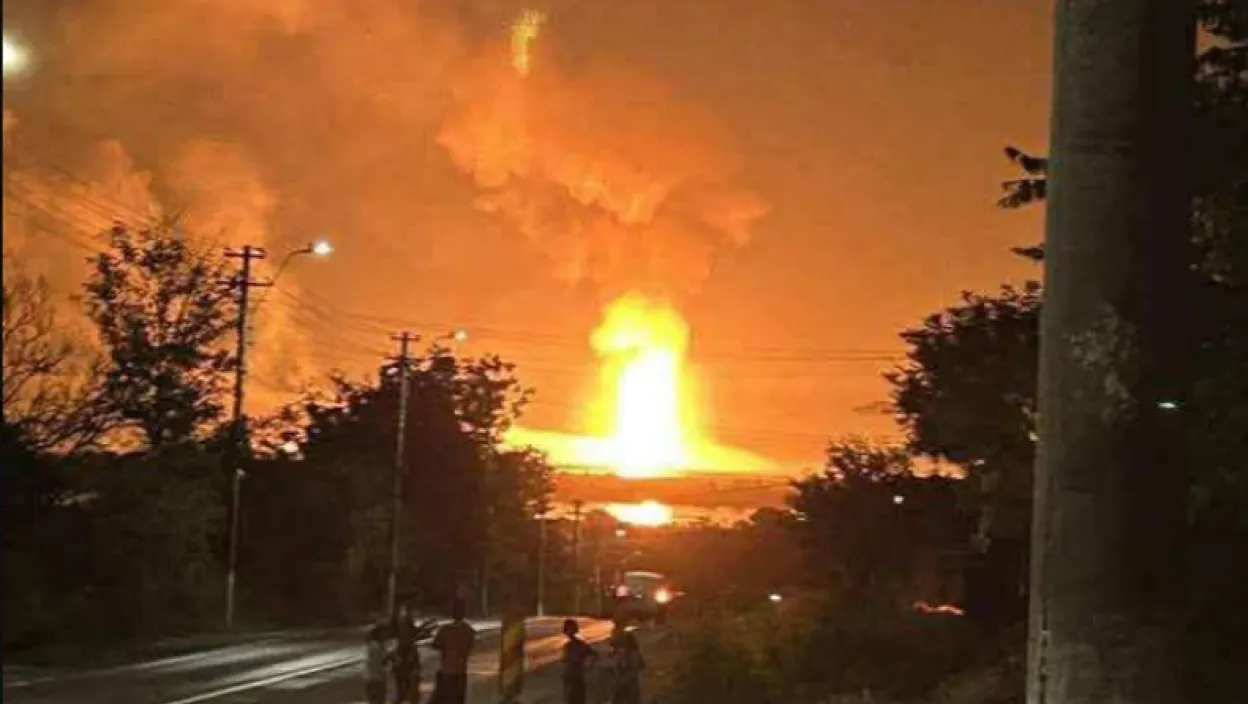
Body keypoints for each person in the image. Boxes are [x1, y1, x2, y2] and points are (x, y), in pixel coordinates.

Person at [429, 600, 475, 704]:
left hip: (446, 671)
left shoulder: (445, 630)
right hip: (460, 672)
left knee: (441, 699)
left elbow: (435, 644)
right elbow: (470, 646)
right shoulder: (468, 630)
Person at [608, 615, 645, 704]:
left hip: (629, 687)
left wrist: (622, 681)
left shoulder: (630, 650)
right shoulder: (618, 650)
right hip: (621, 686)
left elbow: (635, 670)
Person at [561, 618, 598, 704]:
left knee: (575, 698)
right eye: (568, 629)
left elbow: (594, 654)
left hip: (576, 676)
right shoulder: (573, 644)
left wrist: (588, 666)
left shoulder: (579, 644)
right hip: (572, 676)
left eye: (571, 629)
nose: (570, 632)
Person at [391, 605, 422, 704]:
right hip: (405, 660)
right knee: (406, 689)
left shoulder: (404, 644)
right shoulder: (403, 644)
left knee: (405, 689)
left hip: (405, 660)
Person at [364, 624, 390, 704]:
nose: (386, 636)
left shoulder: (379, 646)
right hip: (375, 680)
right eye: (384, 634)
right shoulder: (375, 647)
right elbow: (381, 663)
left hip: (376, 679)